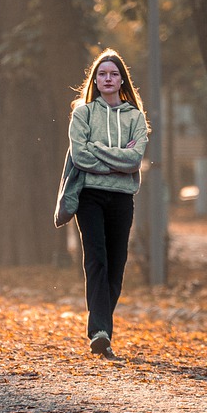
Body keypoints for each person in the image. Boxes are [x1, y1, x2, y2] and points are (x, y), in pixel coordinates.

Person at [67, 49, 149, 360]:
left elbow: (135, 159)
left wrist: (98, 151)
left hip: (122, 198)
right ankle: (100, 332)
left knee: (116, 266)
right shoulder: (82, 114)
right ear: (95, 80)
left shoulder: (135, 117)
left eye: (114, 74)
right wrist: (116, 159)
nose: (108, 78)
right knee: (96, 259)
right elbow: (80, 155)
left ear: (122, 80)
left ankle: (101, 328)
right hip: (90, 196)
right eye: (102, 74)